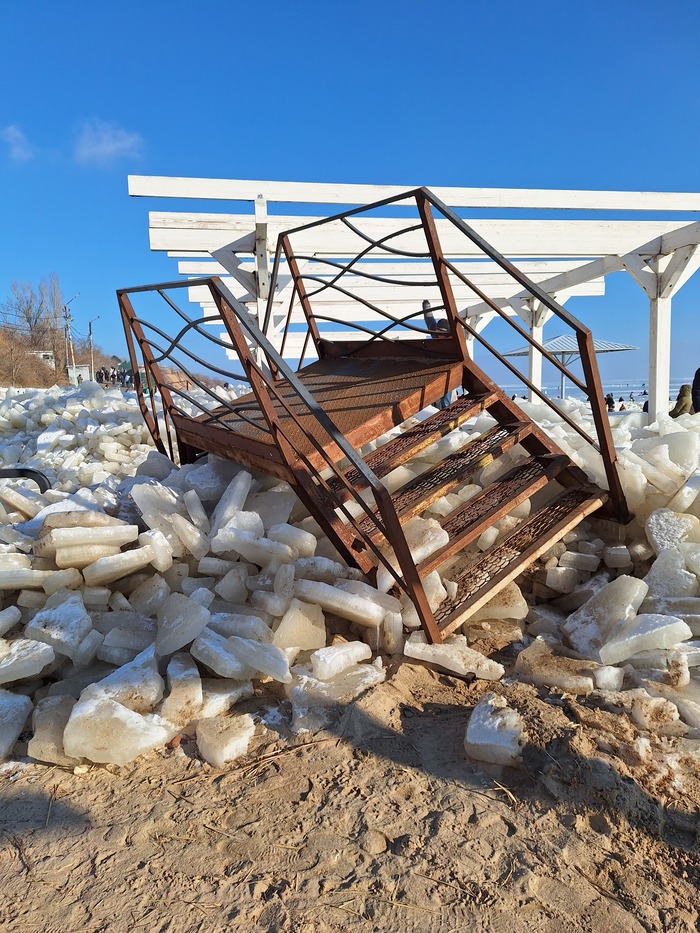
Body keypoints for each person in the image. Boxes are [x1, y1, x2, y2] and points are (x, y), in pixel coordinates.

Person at [422, 300, 454, 409]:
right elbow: (429, 319)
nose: (438, 335)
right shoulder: (435, 333)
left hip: (451, 367)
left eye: (441, 333)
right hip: (438, 366)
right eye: (437, 332)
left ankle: (446, 414)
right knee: (435, 393)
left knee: (446, 395)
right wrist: (426, 306)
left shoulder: (453, 339)